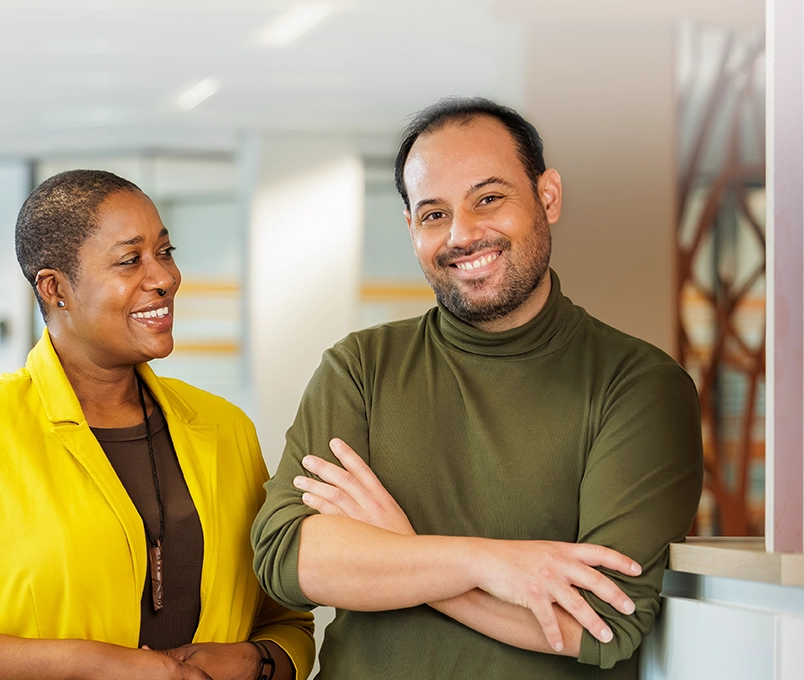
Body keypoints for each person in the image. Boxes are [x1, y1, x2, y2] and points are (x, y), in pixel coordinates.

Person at [250, 97, 702, 678]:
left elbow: (598, 625)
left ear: (548, 196)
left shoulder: (638, 387)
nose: (462, 234)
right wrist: (489, 563)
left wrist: (398, 547)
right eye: (434, 214)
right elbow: (288, 559)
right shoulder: (360, 368)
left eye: (488, 198)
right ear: (411, 227)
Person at [0, 170, 315, 680]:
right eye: (130, 260)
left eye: (165, 252)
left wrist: (259, 662)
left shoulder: (226, 428)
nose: (165, 277)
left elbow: (286, 615)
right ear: (55, 289)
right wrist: (91, 665)